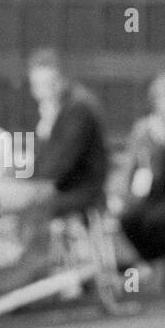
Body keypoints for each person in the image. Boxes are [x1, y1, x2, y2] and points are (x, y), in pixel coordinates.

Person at [13, 46, 109, 218]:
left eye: (46, 85)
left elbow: (57, 167)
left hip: (80, 194)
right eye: (36, 86)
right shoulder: (57, 109)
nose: (39, 93)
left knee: (10, 203)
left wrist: (47, 132)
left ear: (61, 80)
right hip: (62, 188)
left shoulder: (78, 109)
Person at [114, 71, 165, 268]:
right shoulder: (144, 130)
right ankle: (151, 263)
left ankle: (160, 264)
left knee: (157, 220)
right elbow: (129, 168)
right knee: (129, 219)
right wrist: (121, 196)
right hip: (148, 193)